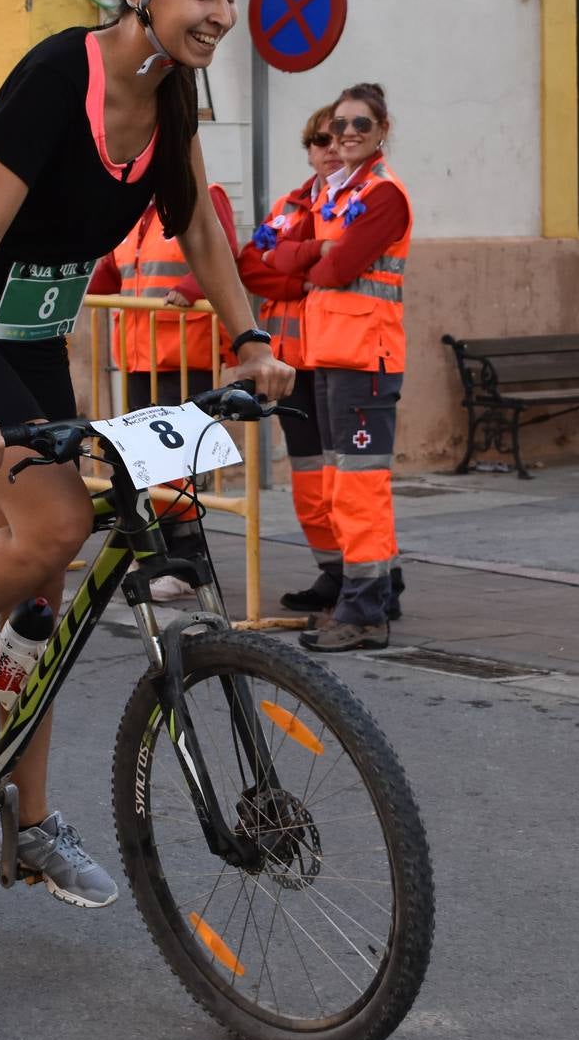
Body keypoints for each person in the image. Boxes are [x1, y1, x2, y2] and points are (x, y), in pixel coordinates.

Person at [0, 0, 293, 907]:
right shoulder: (64, 74)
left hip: (35, 331)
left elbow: (195, 225)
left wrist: (249, 337)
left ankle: (29, 825)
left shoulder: (174, 97)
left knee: (44, 592)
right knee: (55, 523)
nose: (223, 15)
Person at [261, 83, 411, 652]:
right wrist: (314, 257)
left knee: (358, 488)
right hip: (331, 354)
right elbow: (269, 256)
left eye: (359, 126)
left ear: (381, 130)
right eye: (338, 127)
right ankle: (371, 595)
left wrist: (316, 260)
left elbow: (339, 267)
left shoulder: (382, 195)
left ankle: (365, 612)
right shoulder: (336, 196)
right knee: (342, 485)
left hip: (364, 358)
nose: (346, 135)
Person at [89, 181, 242, 601]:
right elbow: (110, 270)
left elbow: (222, 248)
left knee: (176, 466)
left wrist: (192, 289)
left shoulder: (199, 193)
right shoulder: (130, 209)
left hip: (184, 350)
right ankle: (161, 556)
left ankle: (189, 563)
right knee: (151, 465)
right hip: (141, 353)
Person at [239, 104, 361, 611]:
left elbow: (342, 264)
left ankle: (370, 575)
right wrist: (304, 269)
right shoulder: (290, 206)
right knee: (308, 474)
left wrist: (292, 259)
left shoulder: (356, 203)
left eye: (336, 139)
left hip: (338, 357)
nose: (328, 149)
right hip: (291, 364)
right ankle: (331, 572)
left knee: (348, 479)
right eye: (318, 141)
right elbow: (249, 264)